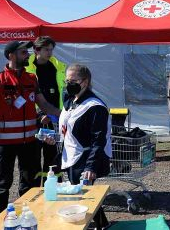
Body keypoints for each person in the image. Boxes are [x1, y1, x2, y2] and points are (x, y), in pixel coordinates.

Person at [0, 40, 62, 215]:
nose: (28, 54)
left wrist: (66, 115)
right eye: (23, 52)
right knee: (3, 183)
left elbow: (44, 105)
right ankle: (1, 220)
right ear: (11, 55)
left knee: (30, 183)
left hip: (30, 142)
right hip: (4, 144)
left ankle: (28, 216)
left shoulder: (31, 79)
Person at [54, 63, 111, 227]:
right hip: (71, 156)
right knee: (82, 196)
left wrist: (90, 167)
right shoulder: (71, 100)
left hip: (84, 158)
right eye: (66, 81)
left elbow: (98, 139)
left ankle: (98, 225)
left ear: (85, 82)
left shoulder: (95, 107)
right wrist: (54, 137)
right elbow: (68, 128)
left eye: (73, 81)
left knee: (82, 197)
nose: (68, 84)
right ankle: (103, 224)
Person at [25, 36, 67, 182]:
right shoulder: (26, 69)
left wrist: (59, 114)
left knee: (54, 158)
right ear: (36, 50)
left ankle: (54, 189)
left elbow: (63, 93)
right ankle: (33, 192)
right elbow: (28, 97)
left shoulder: (58, 67)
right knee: (33, 158)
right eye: (46, 49)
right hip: (34, 121)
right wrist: (40, 114)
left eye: (51, 49)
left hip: (55, 119)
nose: (50, 53)